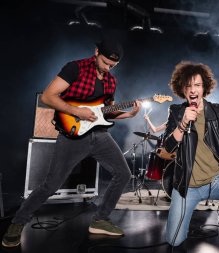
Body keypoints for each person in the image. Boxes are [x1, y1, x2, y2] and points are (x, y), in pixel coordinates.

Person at [2, 38, 141, 248]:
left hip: (99, 135)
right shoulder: (75, 68)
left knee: (123, 173)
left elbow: (105, 113)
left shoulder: (110, 81)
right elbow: (49, 97)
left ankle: (100, 220)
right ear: (96, 52)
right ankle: (17, 222)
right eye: (105, 63)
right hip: (72, 135)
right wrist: (76, 111)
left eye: (113, 66)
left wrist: (130, 114)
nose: (108, 68)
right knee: (51, 185)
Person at [163, 61, 219, 253]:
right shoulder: (176, 112)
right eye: (188, 86)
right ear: (181, 89)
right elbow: (168, 147)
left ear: (204, 87)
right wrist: (182, 123)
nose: (193, 90)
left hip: (215, 180)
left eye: (197, 85)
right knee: (173, 240)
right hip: (186, 186)